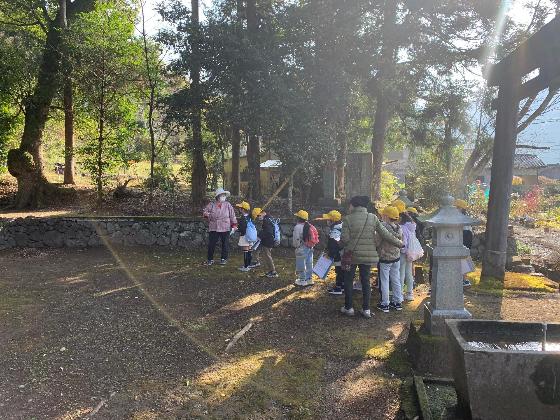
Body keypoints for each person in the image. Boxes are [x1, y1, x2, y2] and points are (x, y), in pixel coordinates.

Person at [340, 196, 403, 318]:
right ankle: (366, 309)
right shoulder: (373, 217)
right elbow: (385, 234)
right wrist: (400, 244)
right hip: (368, 255)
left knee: (348, 280)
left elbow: (345, 239)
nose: (349, 207)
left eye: (350, 205)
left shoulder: (347, 219)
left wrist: (339, 244)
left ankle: (349, 308)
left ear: (354, 205)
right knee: (365, 281)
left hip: (351, 255)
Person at [376, 206, 404, 313]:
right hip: (396, 257)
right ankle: (397, 302)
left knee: (384, 280)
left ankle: (385, 303)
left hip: (385, 257)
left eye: (383, 214)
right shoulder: (399, 228)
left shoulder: (382, 227)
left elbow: (377, 241)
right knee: (396, 279)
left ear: (386, 216)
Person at [203, 188, 237, 266]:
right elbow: (205, 212)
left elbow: (232, 215)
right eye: (222, 195)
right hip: (214, 227)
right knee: (212, 244)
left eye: (224, 195)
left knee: (225, 244)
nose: (223, 197)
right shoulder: (211, 204)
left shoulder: (228, 204)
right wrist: (208, 215)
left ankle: (223, 259)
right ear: (218, 196)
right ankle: (210, 259)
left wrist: (234, 224)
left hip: (225, 227)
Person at [316, 210, 344, 295]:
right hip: (344, 254)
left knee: (339, 271)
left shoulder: (335, 232)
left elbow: (334, 247)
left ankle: (338, 288)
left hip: (339, 255)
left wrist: (329, 256)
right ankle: (342, 285)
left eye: (328, 219)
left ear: (333, 221)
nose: (327, 221)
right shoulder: (343, 226)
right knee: (342, 271)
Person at [252, 207, 279, 278]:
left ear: (262, 212)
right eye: (257, 216)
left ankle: (273, 272)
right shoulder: (269, 218)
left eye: (258, 215)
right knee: (265, 255)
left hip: (268, 241)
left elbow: (268, 232)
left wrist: (260, 236)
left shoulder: (266, 220)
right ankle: (270, 271)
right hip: (269, 240)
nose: (258, 217)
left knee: (267, 256)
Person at [292, 210, 316, 287]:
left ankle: (302, 280)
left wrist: (296, 246)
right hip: (310, 247)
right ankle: (309, 279)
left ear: (298, 218)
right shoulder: (309, 225)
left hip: (301, 247)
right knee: (309, 262)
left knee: (301, 263)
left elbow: (296, 239)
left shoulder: (297, 227)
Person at [455, 199, 473, 287]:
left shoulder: (460, 216)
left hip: (464, 235)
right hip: (467, 235)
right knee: (463, 258)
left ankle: (465, 279)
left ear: (461, 208)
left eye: (457, 207)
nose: (455, 208)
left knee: (462, 258)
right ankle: (464, 279)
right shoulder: (465, 216)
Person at [399, 210, 417, 301]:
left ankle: (400, 294)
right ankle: (410, 293)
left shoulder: (402, 227)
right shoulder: (412, 226)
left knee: (401, 273)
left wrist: (402, 250)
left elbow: (403, 243)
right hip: (410, 253)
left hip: (403, 253)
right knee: (409, 273)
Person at [236, 201, 254, 272]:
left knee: (245, 251)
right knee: (249, 249)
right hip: (251, 236)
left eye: (240, 208)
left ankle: (246, 267)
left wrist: (237, 229)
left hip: (245, 236)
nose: (239, 209)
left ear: (243, 209)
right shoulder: (250, 217)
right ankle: (248, 265)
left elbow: (242, 229)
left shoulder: (242, 218)